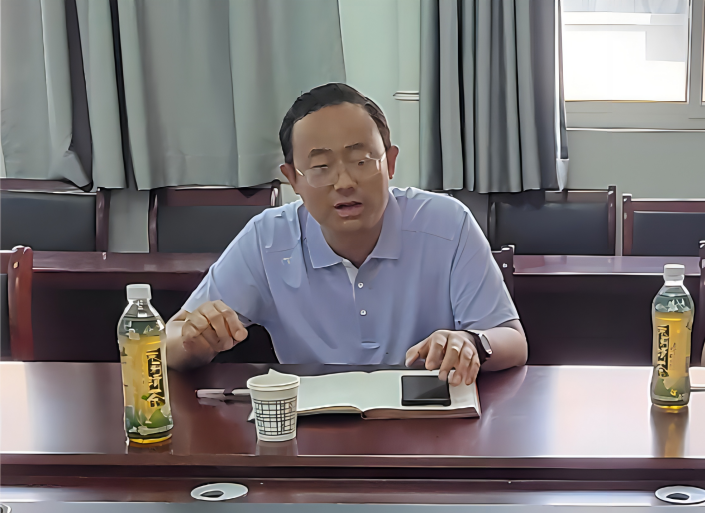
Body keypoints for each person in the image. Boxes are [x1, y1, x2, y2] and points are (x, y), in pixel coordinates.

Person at [166, 83, 527, 386]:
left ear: (390, 162)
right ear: (293, 180)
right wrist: (194, 343)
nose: (344, 182)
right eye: (321, 167)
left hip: (425, 422)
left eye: (361, 161)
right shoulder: (267, 239)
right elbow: (169, 340)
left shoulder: (447, 223)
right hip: (311, 429)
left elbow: (512, 340)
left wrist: (471, 343)